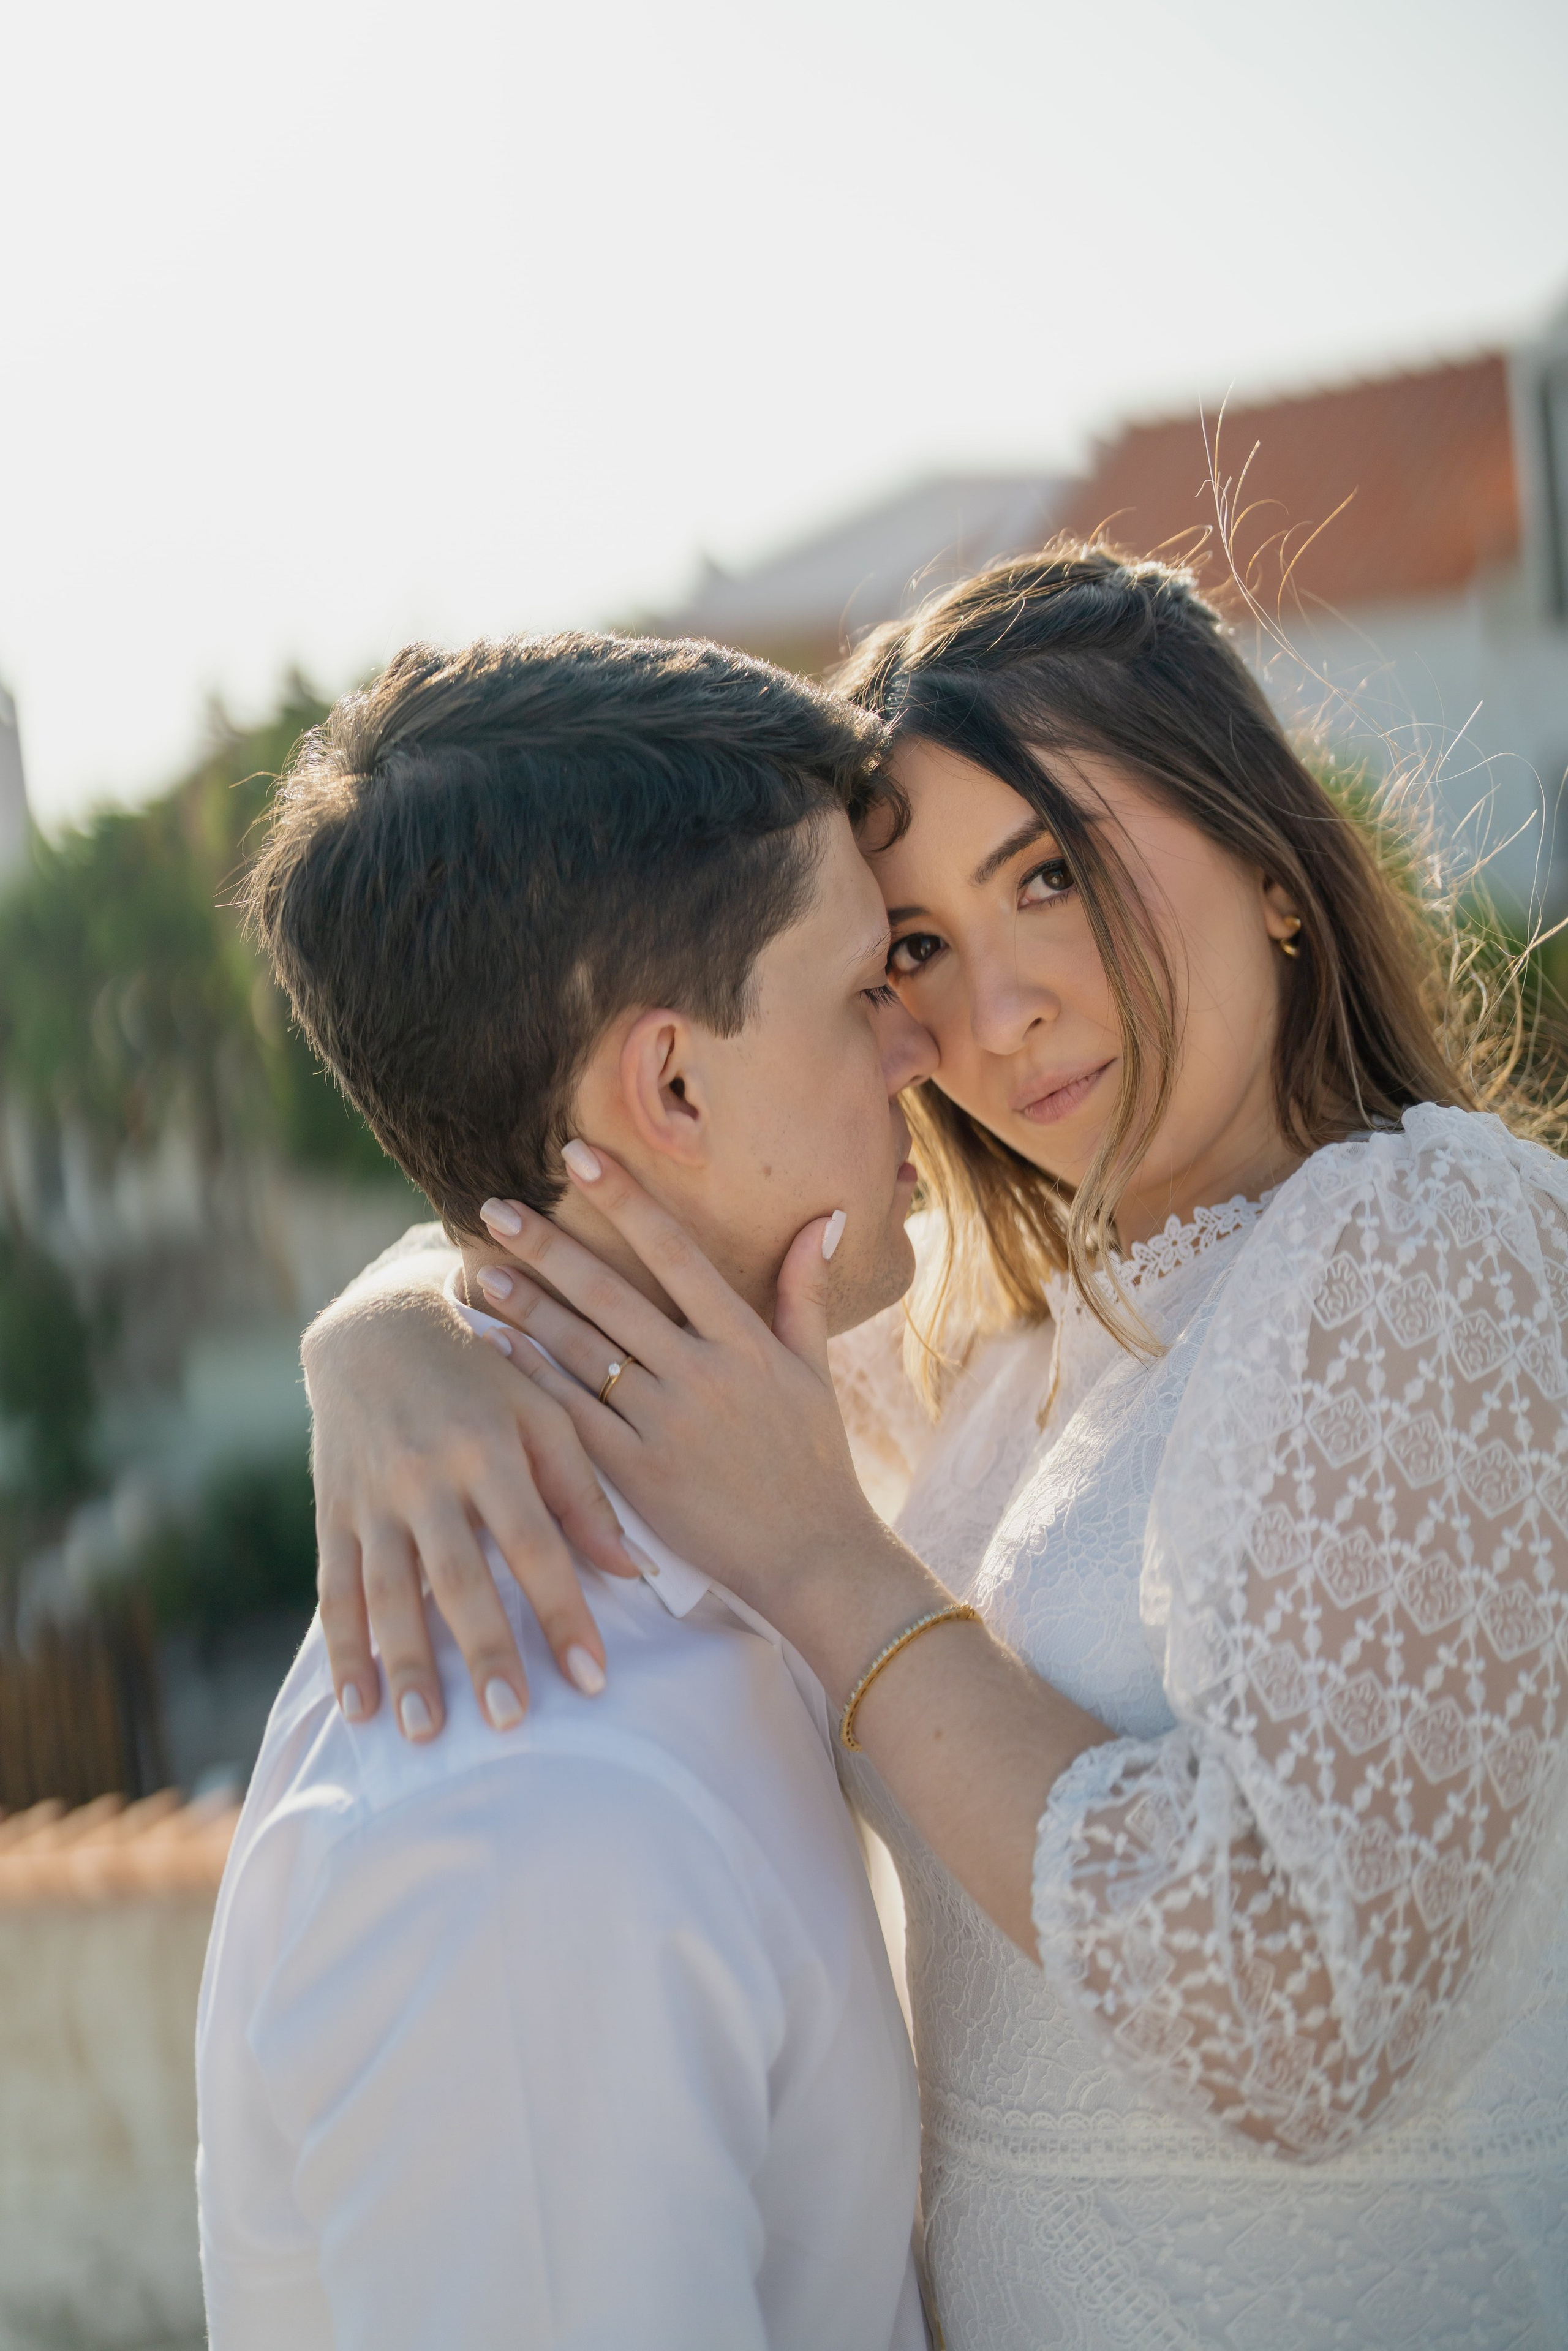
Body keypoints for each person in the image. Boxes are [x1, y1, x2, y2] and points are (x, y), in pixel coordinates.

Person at [306, 549, 1568, 2349]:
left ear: (1274, 859)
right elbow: (656, 1206)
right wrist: (385, 1339)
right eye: (914, 949)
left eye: (1050, 875)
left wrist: (836, 1570)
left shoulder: (1434, 1236)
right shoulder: (1007, 1337)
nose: (988, 1015)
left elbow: (1309, 2014)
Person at [195, 632, 936, 2350]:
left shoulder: (722, 1530)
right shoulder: (527, 1842)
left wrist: (383, 1318)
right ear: (670, 1084)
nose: (926, 1044)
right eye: (860, 993)